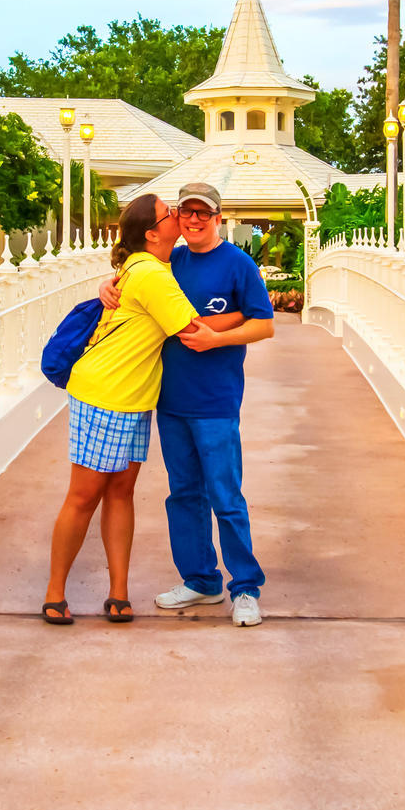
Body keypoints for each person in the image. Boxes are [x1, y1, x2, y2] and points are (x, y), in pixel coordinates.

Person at [41, 193, 233, 625]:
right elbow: (190, 328)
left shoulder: (152, 267)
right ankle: (55, 592)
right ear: (153, 233)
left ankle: (119, 592)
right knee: (84, 495)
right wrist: (249, 317)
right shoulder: (151, 274)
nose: (182, 217)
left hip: (133, 396)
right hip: (105, 392)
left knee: (121, 492)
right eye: (172, 214)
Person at [100, 182, 275, 627]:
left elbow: (265, 325)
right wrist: (107, 284)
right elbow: (130, 285)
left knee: (225, 495)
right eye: (187, 213)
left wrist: (222, 335)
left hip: (215, 402)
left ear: (219, 218)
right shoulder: (167, 261)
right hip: (170, 400)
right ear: (176, 219)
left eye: (204, 214)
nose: (195, 221)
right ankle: (201, 580)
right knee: (184, 495)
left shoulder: (238, 264)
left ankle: (246, 588)